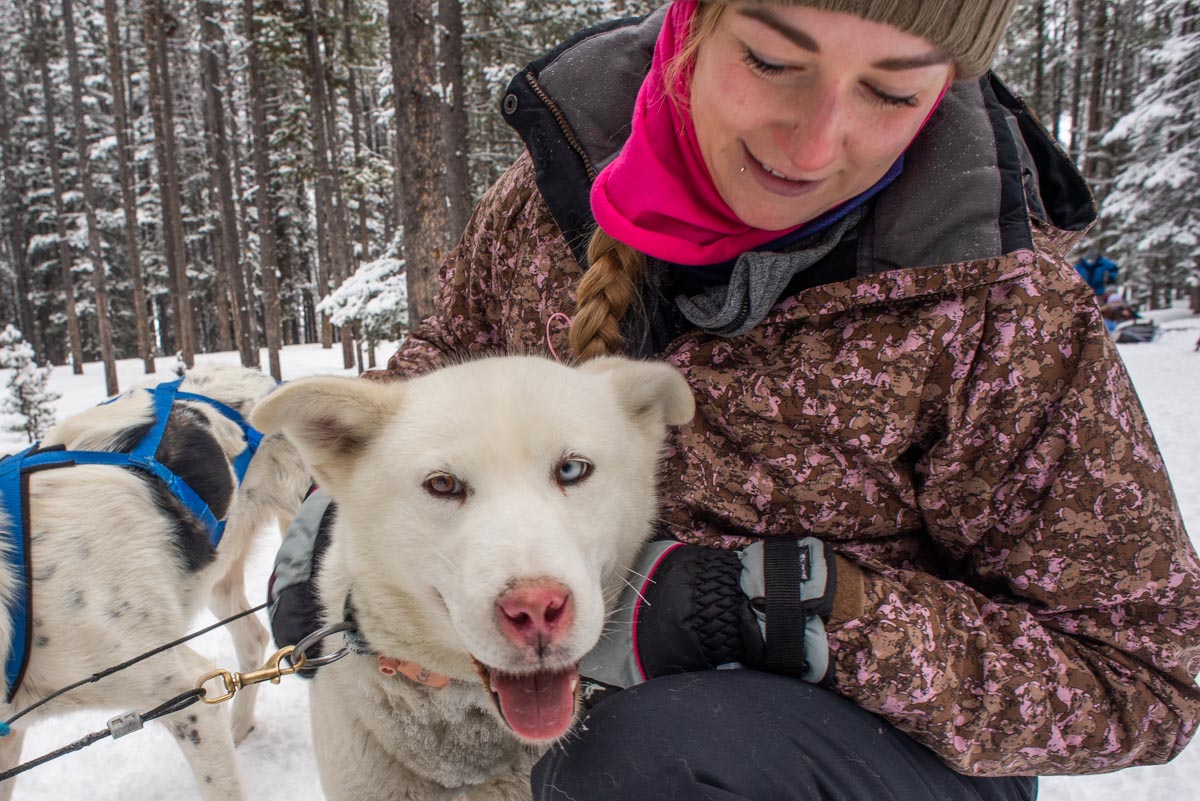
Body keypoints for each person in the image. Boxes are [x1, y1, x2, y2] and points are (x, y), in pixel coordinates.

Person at [271, 2, 1200, 800]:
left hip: (869, 759)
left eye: (892, 90)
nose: (813, 141)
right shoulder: (551, 196)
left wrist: (797, 615)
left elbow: (1144, 679)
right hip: (555, 690)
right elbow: (452, 352)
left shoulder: (1001, 305)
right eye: (772, 61)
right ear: (692, 29)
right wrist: (351, 493)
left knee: (650, 762)